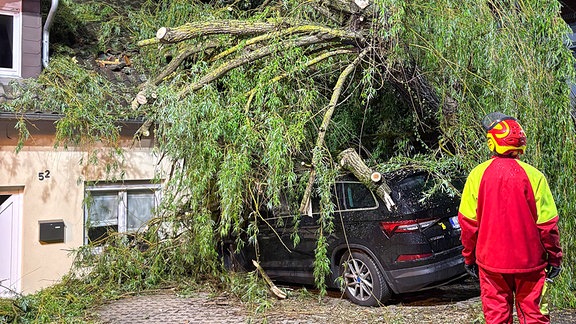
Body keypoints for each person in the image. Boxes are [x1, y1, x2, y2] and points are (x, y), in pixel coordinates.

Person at [458, 112, 563, 324]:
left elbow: (468, 225)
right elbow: (548, 226)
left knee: (496, 317)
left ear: (492, 142)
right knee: (535, 316)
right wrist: (555, 257)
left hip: (491, 265)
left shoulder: (477, 176)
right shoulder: (535, 177)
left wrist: (469, 257)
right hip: (531, 265)